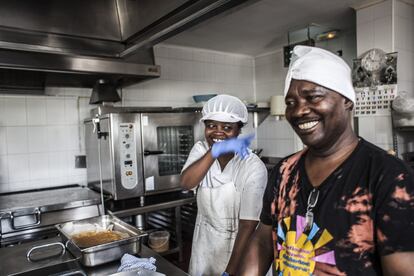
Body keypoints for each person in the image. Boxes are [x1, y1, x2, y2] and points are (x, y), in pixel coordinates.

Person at [238, 46, 414, 275]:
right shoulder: (284, 171)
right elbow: (263, 241)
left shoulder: (389, 176)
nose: (299, 110)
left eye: (314, 97)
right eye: (290, 103)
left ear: (347, 101)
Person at [181, 94, 268, 276]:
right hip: (205, 243)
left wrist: (230, 271)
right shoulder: (201, 150)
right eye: (211, 126)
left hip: (238, 247)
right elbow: (186, 183)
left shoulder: (252, 166)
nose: (218, 132)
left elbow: (248, 225)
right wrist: (213, 152)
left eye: (227, 127)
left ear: (238, 131)